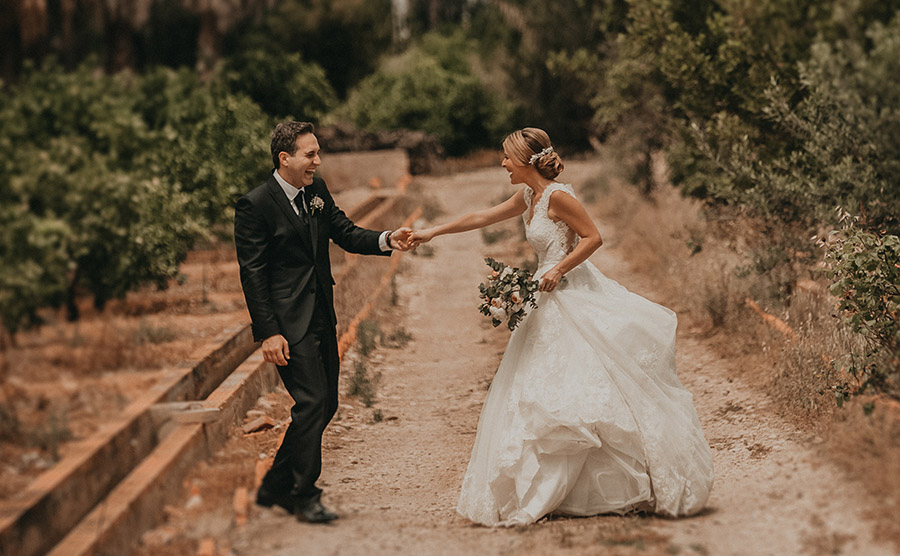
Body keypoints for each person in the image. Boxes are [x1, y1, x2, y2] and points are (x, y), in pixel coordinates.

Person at [410, 127, 714, 526]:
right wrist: (433, 231)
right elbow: (483, 216)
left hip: (570, 289)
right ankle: (559, 489)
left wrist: (559, 268)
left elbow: (593, 238)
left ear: (526, 160)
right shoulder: (528, 196)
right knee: (538, 382)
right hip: (545, 292)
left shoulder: (558, 196)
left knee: (589, 381)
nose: (502, 163)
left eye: (506, 157)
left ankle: (622, 478)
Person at [235, 121, 414, 523]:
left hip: (321, 315)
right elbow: (253, 274)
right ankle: (304, 494)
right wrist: (269, 332)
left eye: (317, 153)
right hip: (287, 323)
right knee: (313, 403)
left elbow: (346, 233)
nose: (318, 160)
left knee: (326, 403)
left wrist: (388, 239)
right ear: (285, 158)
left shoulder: (316, 192)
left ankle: (274, 487)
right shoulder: (255, 205)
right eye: (310, 154)